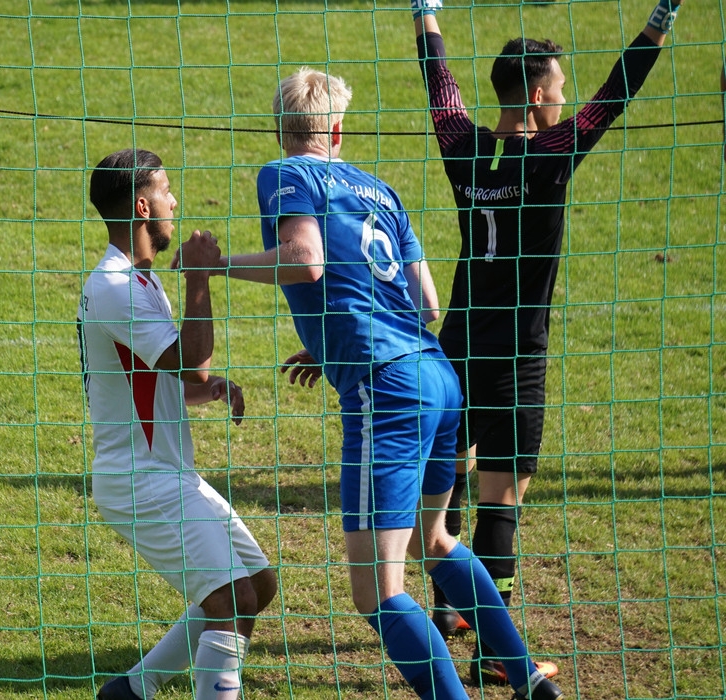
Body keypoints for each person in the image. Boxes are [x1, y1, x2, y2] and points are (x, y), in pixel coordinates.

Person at [214, 67, 563, 700]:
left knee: (378, 591)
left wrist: (218, 265)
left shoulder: (287, 172)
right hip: (436, 375)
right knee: (437, 539)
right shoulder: (383, 191)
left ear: (280, 128)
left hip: (389, 389)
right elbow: (424, 301)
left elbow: (304, 261)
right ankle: (527, 678)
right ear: (338, 130)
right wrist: (334, 339)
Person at [412, 0, 682, 688]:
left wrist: (426, 14)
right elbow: (617, 93)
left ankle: (450, 610)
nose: (566, 99)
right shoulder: (554, 153)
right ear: (536, 96)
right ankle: (500, 656)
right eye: (559, 89)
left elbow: (439, 87)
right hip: (516, 359)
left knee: (447, 491)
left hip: (456, 349)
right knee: (501, 496)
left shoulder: (463, 147)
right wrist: (662, 16)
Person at [79, 148, 277, 700]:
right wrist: (200, 275)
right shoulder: (116, 287)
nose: (175, 201)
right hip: (140, 479)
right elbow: (189, 358)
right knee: (229, 600)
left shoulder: (138, 281)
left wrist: (206, 390)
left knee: (257, 586)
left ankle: (133, 690)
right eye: (167, 192)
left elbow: (175, 374)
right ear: (142, 206)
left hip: (168, 473)